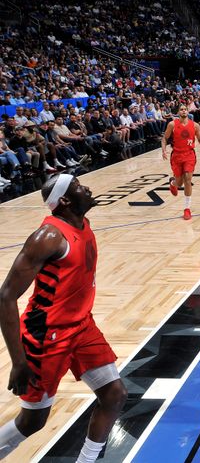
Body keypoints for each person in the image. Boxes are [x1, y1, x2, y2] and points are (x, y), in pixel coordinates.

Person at [0, 175, 127, 462]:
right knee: (33, 421)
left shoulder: (82, 223)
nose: (89, 188)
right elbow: (5, 296)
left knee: (114, 395)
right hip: (46, 335)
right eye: (80, 187)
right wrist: (19, 362)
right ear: (66, 201)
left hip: (82, 326)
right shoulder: (47, 238)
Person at [161, 104, 200, 221]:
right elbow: (164, 138)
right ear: (178, 112)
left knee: (188, 179)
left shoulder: (195, 125)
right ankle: (173, 184)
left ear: (188, 111)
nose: (183, 111)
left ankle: (187, 208)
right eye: (181, 109)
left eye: (185, 109)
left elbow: (199, 139)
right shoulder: (172, 124)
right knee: (179, 183)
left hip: (189, 155)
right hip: (177, 156)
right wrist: (163, 150)